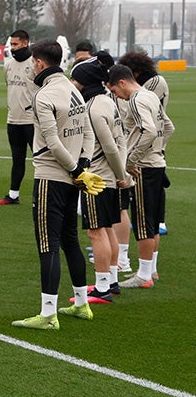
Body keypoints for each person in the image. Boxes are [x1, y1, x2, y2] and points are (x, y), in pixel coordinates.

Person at [11, 40, 104, 331]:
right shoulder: (74, 91)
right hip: (74, 178)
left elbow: (52, 142)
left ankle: (48, 314)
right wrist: (83, 166)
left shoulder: (44, 95)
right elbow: (87, 130)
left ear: (39, 63)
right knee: (70, 240)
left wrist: (77, 169)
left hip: (52, 177)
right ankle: (80, 303)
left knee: (48, 244)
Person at [106, 64, 173, 289]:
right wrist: (158, 150)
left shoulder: (136, 99)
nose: (117, 97)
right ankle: (151, 270)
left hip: (143, 167)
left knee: (143, 223)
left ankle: (143, 276)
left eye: (115, 91)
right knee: (153, 221)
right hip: (157, 163)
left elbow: (149, 130)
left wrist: (132, 160)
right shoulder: (151, 96)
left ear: (122, 82)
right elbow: (168, 127)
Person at [69, 59, 128, 304]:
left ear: (84, 83)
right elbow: (121, 141)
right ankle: (111, 281)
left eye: (75, 80)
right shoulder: (108, 101)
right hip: (110, 177)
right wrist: (120, 173)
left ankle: (102, 286)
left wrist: (120, 175)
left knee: (96, 231)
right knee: (106, 228)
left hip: (98, 178)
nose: (73, 85)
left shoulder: (93, 108)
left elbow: (110, 146)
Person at [117, 51, 171, 235]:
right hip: (147, 144)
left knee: (146, 224)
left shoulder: (149, 88)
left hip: (148, 150)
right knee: (147, 223)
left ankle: (160, 221)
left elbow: (153, 126)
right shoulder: (140, 91)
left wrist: (157, 147)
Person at [0, 30, 37, 205]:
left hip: (32, 121)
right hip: (13, 120)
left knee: (41, 161)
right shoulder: (8, 64)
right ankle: (13, 195)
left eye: (16, 44)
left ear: (25, 43)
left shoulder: (34, 64)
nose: (12, 48)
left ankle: (39, 196)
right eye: (11, 44)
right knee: (17, 158)